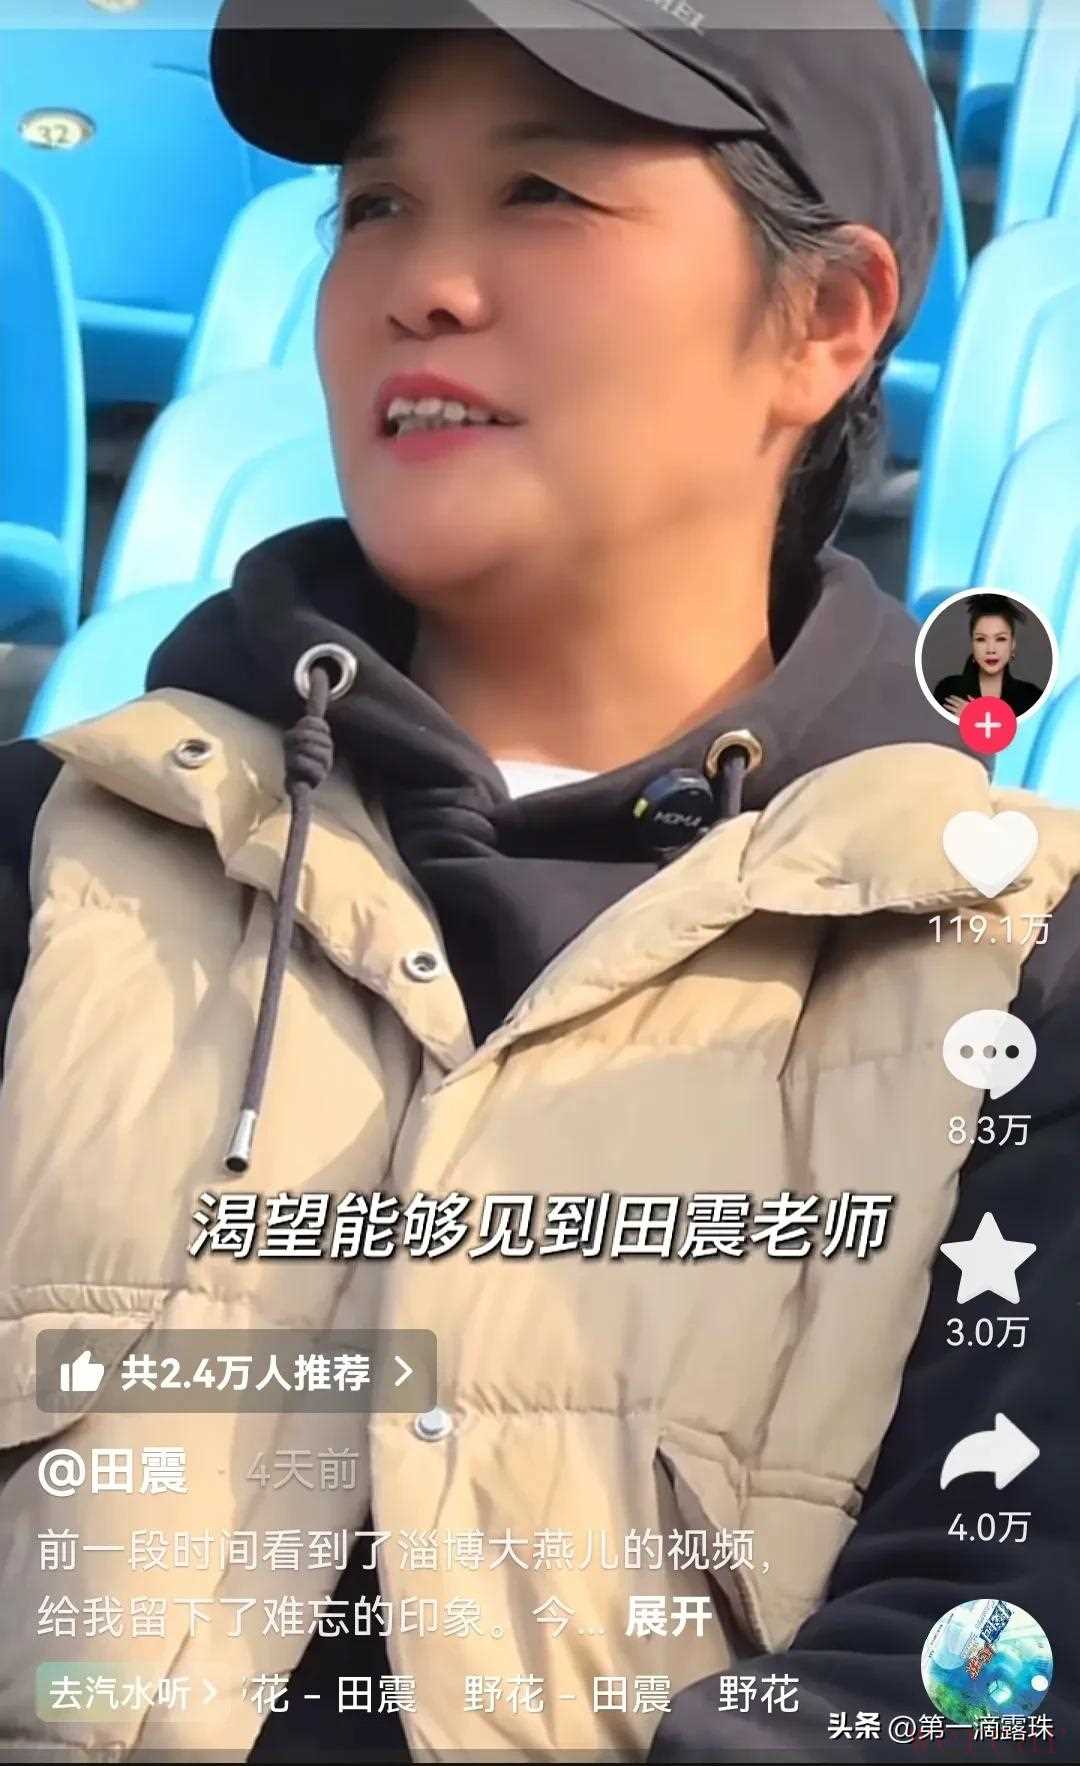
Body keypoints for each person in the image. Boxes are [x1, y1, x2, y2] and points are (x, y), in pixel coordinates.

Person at [0, 1, 1077, 1759]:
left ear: (826, 317)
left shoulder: (1023, 971)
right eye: (373, 206)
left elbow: (991, 1656)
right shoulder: (53, 853)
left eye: (543, 195)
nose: (421, 285)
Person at [933, 593, 1045, 718]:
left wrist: (977, 716)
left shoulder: (1031, 696)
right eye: (981, 639)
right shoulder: (948, 691)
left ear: (1012, 644)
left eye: (1000, 639)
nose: (991, 649)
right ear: (972, 644)